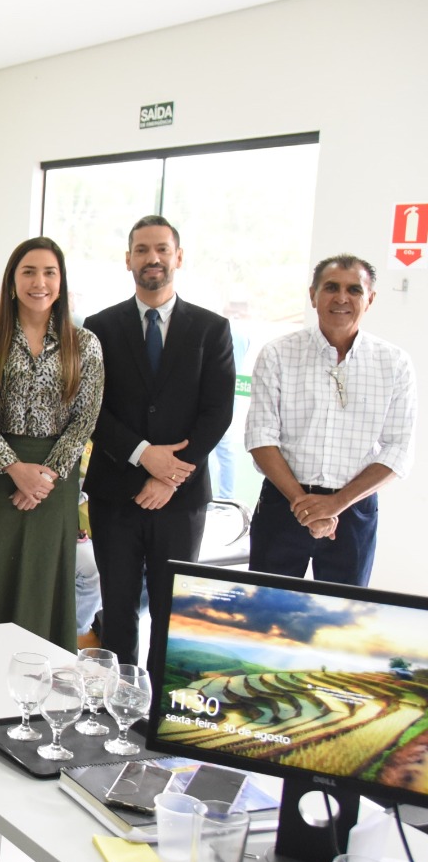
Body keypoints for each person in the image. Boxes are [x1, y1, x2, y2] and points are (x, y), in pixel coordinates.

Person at [84, 215, 234, 665]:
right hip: (115, 494)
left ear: (178, 257)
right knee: (118, 606)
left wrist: (170, 475)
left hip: (182, 498)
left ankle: (157, 717)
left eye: (162, 249)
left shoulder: (211, 329)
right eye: (143, 250)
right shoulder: (100, 327)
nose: (153, 258)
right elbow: (93, 407)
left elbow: (217, 413)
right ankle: (114, 706)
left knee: (171, 609)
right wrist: (143, 455)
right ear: (128, 259)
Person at [0, 238, 103, 650]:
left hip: (54, 484)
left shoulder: (85, 344)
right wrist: (14, 468)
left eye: (49, 273)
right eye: (29, 272)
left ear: (61, 281)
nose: (40, 282)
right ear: (12, 281)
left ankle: (40, 682)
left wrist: (46, 476)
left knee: (43, 579)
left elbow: (84, 420)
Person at [244, 255, 416, 585]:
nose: (341, 298)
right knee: (266, 617)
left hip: (353, 511)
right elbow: (260, 437)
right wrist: (302, 503)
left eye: (354, 289)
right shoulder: (278, 354)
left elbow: (398, 451)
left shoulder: (394, 363)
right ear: (313, 295)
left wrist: (336, 504)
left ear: (371, 299)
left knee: (342, 623)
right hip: (284, 504)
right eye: (331, 287)